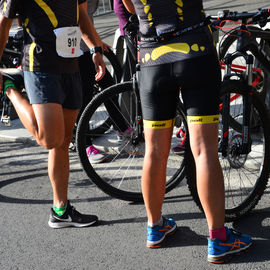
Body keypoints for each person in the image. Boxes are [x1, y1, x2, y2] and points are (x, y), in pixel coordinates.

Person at [122, 0, 252, 264]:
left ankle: (155, 226)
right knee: (203, 151)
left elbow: (127, 4)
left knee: (155, 151)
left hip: (151, 58)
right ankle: (218, 238)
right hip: (194, 52)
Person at [0, 0, 106, 228]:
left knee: (63, 140)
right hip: (40, 66)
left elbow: (80, 14)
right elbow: (4, 22)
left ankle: (60, 210)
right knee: (49, 139)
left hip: (71, 65)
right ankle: (11, 90)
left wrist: (95, 47)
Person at [77, 0, 132, 164]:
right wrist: (96, 45)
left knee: (107, 85)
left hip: (86, 45)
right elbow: (81, 17)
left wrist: (97, 42)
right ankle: (84, 145)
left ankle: (122, 129)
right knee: (86, 95)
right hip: (75, 46)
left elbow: (87, 20)